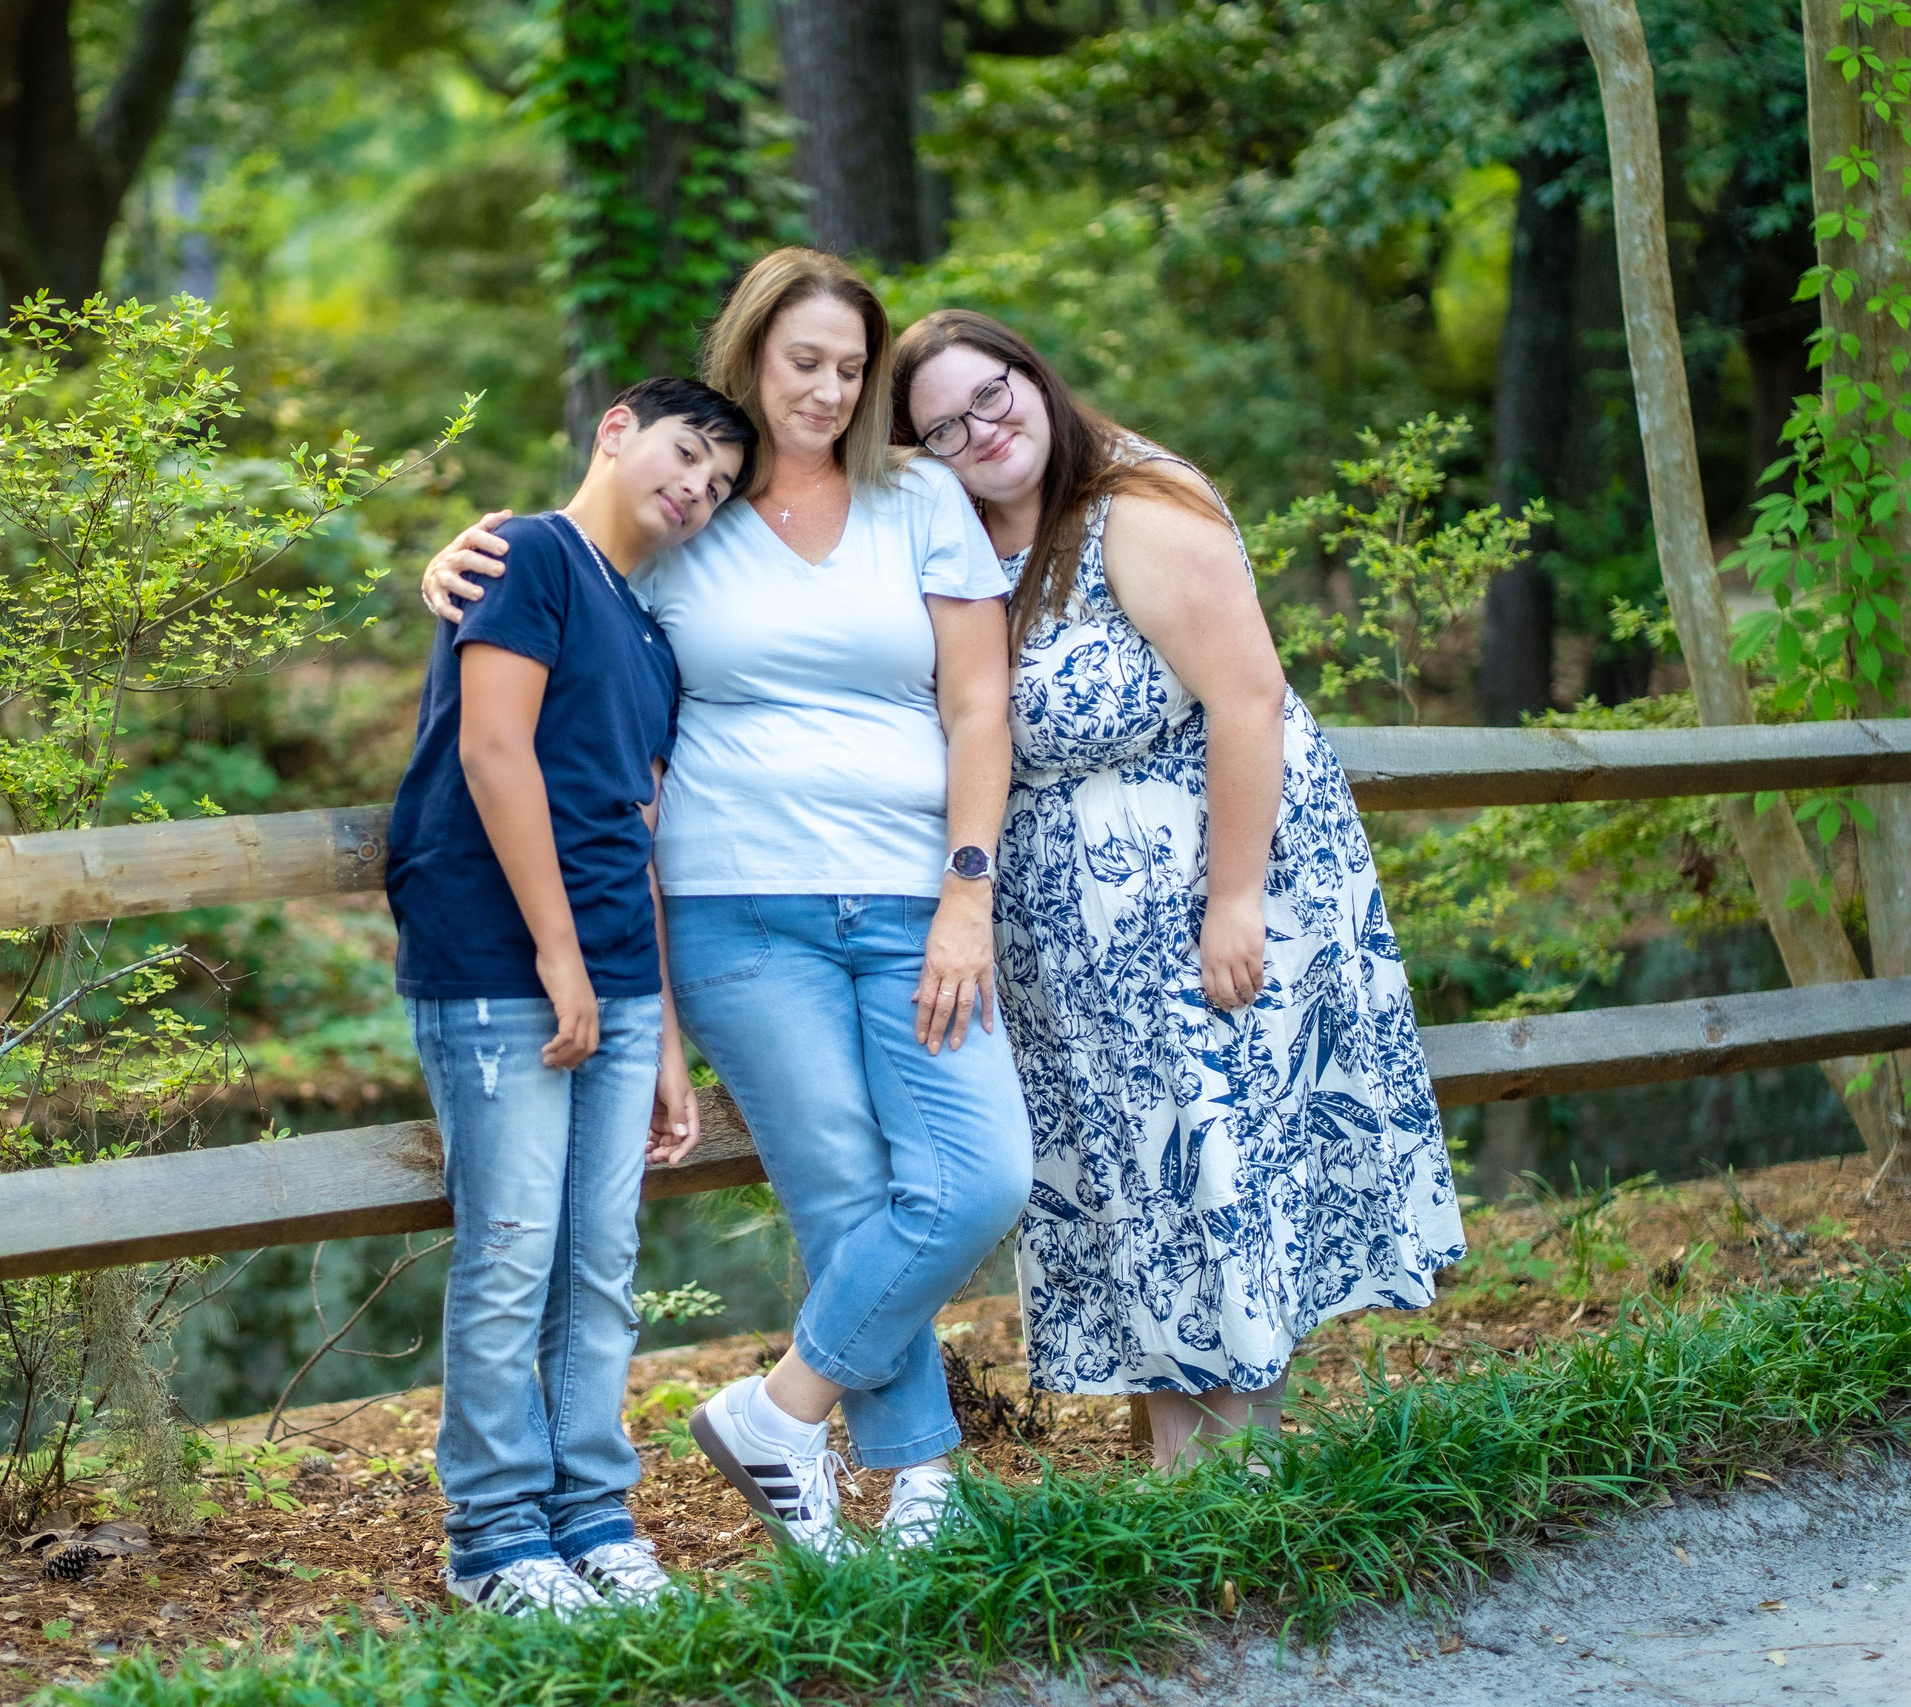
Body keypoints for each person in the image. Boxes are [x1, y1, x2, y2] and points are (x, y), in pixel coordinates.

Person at [420, 249, 1030, 1556]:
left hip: (915, 893)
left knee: (980, 1174)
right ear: (749, 354)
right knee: (841, 1190)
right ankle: (921, 1493)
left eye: (852, 367)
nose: (826, 387)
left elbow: (980, 700)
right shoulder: (693, 510)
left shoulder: (918, 494)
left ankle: (776, 1410)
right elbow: (564, 579)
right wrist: (451, 563)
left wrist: (967, 891)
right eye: (802, 359)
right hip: (737, 909)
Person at [889, 308, 1467, 1470]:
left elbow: (1248, 703)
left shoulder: (1138, 515)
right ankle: (1186, 1484)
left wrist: (1234, 903)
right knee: (1129, 1196)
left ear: (1032, 377)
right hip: (1063, 943)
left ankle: (1235, 1481)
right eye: (942, 426)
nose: (980, 431)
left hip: (1196, 905)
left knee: (1211, 1171)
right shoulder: (959, 541)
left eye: (991, 396)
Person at [388, 375, 754, 1615]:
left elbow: (634, 828)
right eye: (686, 452)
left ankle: (590, 1515)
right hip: (498, 962)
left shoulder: (651, 637)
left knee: (598, 1261)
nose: (695, 487)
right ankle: (492, 1539)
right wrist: (555, 952)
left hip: (610, 976)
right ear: (616, 429)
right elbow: (494, 749)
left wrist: (651, 1025)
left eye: (717, 483)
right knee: (507, 1252)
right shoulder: (527, 554)